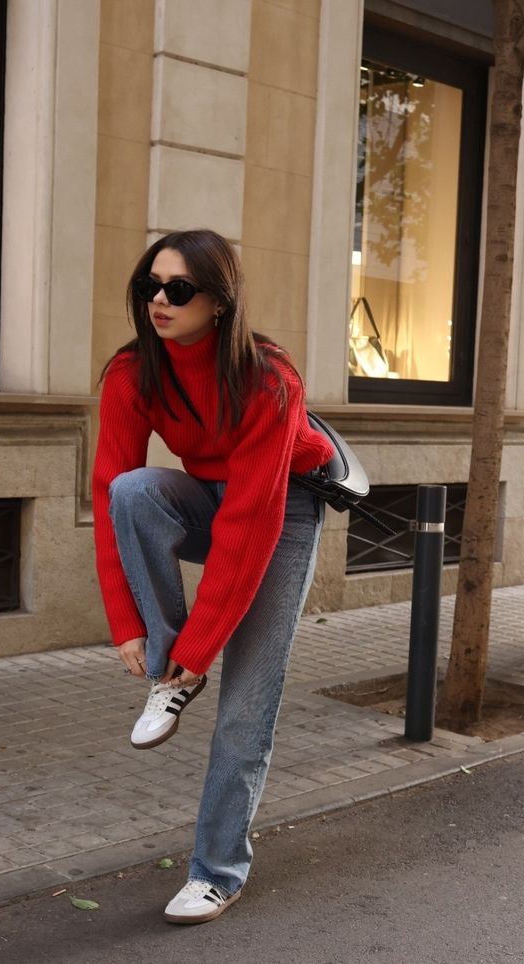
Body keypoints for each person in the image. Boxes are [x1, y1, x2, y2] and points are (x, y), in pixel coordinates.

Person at [92, 228, 334, 924]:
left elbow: (247, 528)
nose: (159, 301)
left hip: (282, 507)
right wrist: (129, 625)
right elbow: (110, 491)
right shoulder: (132, 371)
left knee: (245, 707)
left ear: (219, 303)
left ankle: (216, 871)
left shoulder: (268, 377)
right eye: (149, 286)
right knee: (136, 490)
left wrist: (203, 651)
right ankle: (170, 673)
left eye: (178, 289)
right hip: (205, 496)